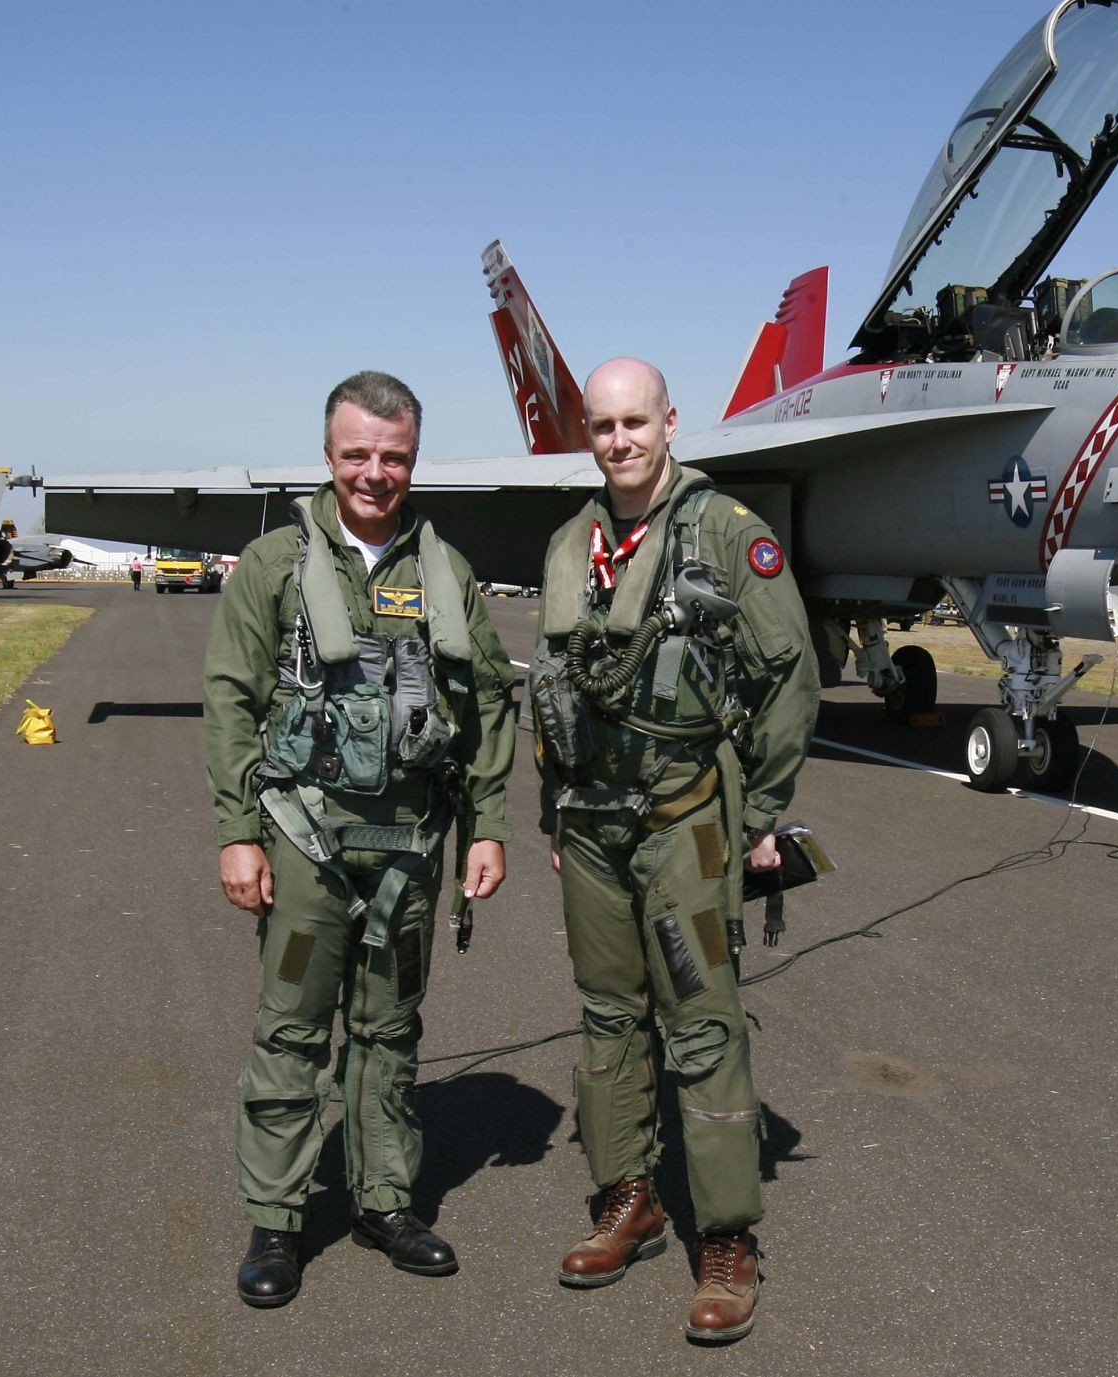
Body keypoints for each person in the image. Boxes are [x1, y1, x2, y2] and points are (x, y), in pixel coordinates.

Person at [204, 371, 517, 1308]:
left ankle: (385, 1200)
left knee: (390, 1028)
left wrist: (486, 825)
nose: (375, 473)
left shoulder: (447, 573)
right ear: (329, 455)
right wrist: (237, 833)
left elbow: (487, 702)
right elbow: (230, 698)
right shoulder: (273, 566)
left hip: (413, 847)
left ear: (412, 459)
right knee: (294, 1030)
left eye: (394, 456)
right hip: (304, 840)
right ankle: (278, 1218)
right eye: (357, 455)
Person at [529, 358, 818, 1344]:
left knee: (698, 1023)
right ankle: (629, 1200)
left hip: (685, 823)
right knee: (609, 1015)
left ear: (668, 423)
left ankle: (728, 1239)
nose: (618, 440)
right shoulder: (573, 542)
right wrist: (549, 816)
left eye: (633, 422)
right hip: (593, 828)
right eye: (602, 426)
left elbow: (789, 675)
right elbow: (552, 689)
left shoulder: (728, 536)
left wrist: (764, 811)